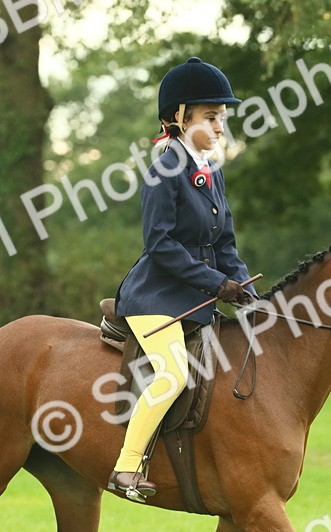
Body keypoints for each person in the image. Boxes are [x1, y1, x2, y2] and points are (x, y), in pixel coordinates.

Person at [108, 56, 257, 501]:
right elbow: (161, 245)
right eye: (211, 118)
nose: (218, 129)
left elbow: (225, 243)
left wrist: (246, 289)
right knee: (172, 374)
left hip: (196, 298)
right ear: (179, 117)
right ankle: (127, 467)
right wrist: (216, 283)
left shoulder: (213, 172)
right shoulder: (163, 170)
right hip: (155, 297)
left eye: (221, 120)